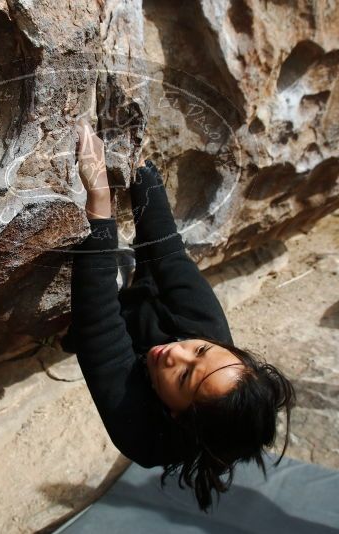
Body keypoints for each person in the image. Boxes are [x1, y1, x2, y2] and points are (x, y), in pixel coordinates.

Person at [61, 119, 296, 512]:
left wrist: (99, 199)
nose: (177, 354)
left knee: (82, 324)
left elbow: (97, 324)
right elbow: (166, 252)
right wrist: (137, 165)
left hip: (120, 334)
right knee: (140, 279)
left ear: (177, 415)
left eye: (185, 376)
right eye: (200, 352)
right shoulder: (207, 331)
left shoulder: (142, 433)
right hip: (150, 302)